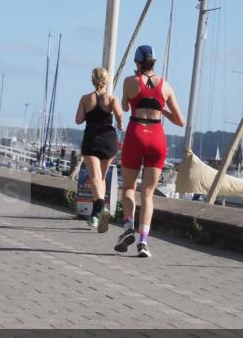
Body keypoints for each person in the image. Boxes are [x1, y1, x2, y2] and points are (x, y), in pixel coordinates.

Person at [115, 45, 184, 258]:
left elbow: (125, 108)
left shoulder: (129, 82)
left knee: (128, 188)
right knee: (148, 193)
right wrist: (159, 107)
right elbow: (181, 121)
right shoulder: (166, 86)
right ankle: (143, 242)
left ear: (137, 62)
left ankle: (128, 228)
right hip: (156, 137)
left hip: (136, 133)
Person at [75, 67, 123, 232]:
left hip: (92, 140)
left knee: (95, 177)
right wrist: (121, 125)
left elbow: (78, 120)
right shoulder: (112, 99)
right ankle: (97, 214)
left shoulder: (85, 99)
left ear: (92, 80)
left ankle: (99, 210)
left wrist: (88, 112)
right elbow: (119, 116)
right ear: (107, 80)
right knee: (101, 178)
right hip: (109, 140)